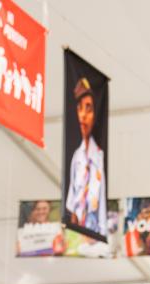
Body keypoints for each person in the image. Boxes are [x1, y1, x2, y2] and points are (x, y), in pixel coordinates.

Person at [64, 77, 106, 237]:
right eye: (80, 108)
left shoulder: (100, 157)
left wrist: (101, 233)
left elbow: (101, 202)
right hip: (80, 231)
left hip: (94, 230)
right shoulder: (77, 157)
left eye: (88, 109)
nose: (83, 115)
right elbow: (71, 200)